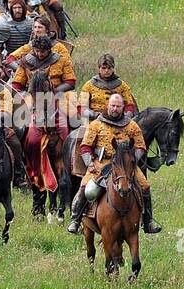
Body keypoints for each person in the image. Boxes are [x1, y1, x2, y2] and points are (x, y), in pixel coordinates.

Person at [65, 92, 161, 234]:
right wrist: (89, 162)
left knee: (145, 186)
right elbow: (85, 147)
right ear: (108, 106)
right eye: (112, 105)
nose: (115, 109)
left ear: (123, 108)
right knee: (86, 187)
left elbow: (141, 146)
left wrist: (133, 159)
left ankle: (148, 221)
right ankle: (76, 219)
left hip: (125, 166)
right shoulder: (96, 124)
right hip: (101, 163)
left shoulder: (132, 126)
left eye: (118, 106)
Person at [77, 53, 137, 121]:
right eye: (104, 68)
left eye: (109, 68)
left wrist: (122, 118)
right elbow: (81, 108)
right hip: (94, 122)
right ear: (99, 68)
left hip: (118, 121)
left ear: (113, 68)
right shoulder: (88, 85)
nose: (106, 70)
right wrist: (97, 115)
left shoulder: (122, 86)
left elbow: (130, 106)